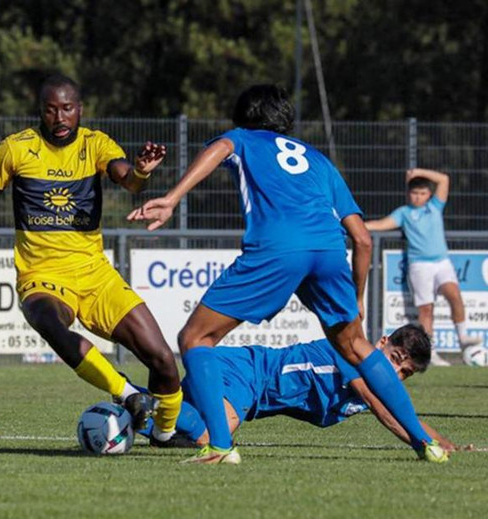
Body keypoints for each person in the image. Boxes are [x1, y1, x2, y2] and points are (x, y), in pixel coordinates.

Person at [128, 84, 448, 463]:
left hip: (279, 246)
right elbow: (362, 240)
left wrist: (173, 196)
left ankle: (220, 446)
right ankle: (425, 444)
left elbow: (219, 149)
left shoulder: (243, 139)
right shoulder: (319, 160)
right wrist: (356, 299)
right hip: (329, 250)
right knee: (357, 346)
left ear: (245, 118)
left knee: (195, 337)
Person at [0, 74, 183, 441]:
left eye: (67, 109)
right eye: (50, 110)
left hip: (95, 276)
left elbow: (127, 179)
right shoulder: (18, 148)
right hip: (41, 276)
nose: (59, 118)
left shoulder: (95, 144)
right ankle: (125, 392)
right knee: (49, 322)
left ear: (80, 110)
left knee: (163, 360)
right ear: (41, 113)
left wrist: (141, 170)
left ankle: (165, 433)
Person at [136, 324, 466, 460]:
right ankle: (135, 395)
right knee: (211, 441)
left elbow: (400, 412)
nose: (395, 373)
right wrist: (422, 446)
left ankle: (137, 408)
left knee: (180, 435)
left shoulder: (376, 383)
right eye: (395, 360)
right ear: (381, 344)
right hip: (243, 372)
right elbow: (382, 408)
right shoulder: (351, 355)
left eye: (404, 372)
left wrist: (443, 442)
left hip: (247, 386)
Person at [365, 168, 482, 366]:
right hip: (419, 265)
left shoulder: (434, 207)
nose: (418, 197)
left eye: (422, 193)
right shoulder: (404, 213)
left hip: (442, 261)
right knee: (426, 309)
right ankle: (431, 352)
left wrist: (418, 172)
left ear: (428, 194)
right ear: (408, 194)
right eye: (414, 193)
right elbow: (381, 224)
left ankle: (463, 339)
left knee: (454, 294)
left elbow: (444, 179)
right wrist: (354, 225)